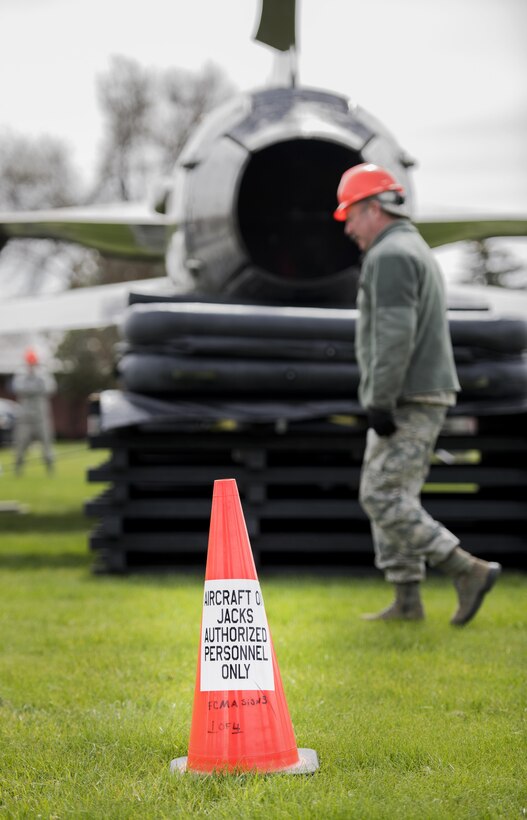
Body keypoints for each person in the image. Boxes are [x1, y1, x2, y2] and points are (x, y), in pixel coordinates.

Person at [334, 162, 501, 626]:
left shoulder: (390, 256)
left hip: (407, 397)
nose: (347, 226)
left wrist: (381, 401)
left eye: (350, 214)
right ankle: (407, 601)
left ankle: (466, 569)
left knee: (381, 495)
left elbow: (392, 337)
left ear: (372, 209)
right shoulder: (411, 248)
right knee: (392, 494)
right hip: (419, 393)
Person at [12, 348, 57, 475]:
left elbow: (50, 388)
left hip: (41, 415)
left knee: (47, 443)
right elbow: (18, 388)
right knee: (20, 443)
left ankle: (50, 469)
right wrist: (35, 387)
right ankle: (18, 468)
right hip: (25, 416)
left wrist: (34, 384)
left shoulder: (43, 372)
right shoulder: (21, 373)